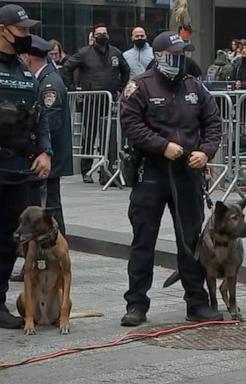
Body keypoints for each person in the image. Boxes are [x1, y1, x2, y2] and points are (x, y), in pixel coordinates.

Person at [119, 31, 223, 326]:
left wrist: (206, 151)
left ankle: (196, 302)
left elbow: (213, 123)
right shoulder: (139, 86)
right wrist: (161, 145)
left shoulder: (194, 86)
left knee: (190, 240)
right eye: (174, 54)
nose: (180, 59)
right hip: (152, 171)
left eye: (183, 53)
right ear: (161, 55)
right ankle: (136, 304)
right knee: (143, 240)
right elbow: (131, 124)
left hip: (188, 172)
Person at [0, 4, 51, 329]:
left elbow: (40, 117)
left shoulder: (23, 70)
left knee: (9, 240)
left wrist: (44, 152)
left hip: (17, 170)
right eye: (21, 30)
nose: (27, 36)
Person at [63, 23, 130, 184]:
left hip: (109, 101)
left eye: (105, 33)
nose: (102, 35)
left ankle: (106, 170)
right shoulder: (84, 53)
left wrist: (120, 88)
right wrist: (74, 88)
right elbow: (67, 67)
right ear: (93, 37)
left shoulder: (115, 52)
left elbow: (126, 70)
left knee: (109, 136)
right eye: (99, 33)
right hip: (91, 102)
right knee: (90, 136)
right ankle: (86, 170)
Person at [21, 35, 73, 234]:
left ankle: (57, 245)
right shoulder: (44, 78)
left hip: (50, 154)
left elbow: (50, 122)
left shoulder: (49, 83)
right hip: (48, 154)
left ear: (28, 58)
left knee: (49, 204)